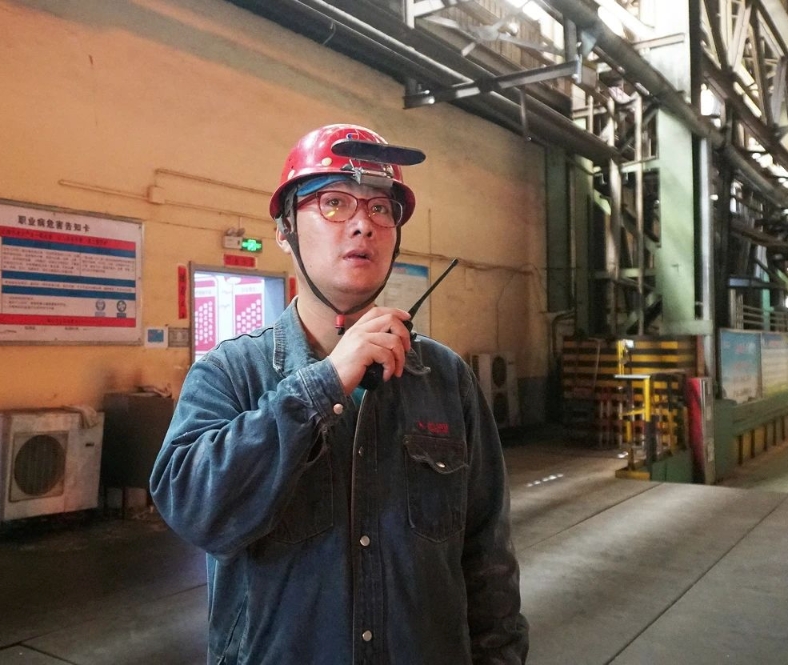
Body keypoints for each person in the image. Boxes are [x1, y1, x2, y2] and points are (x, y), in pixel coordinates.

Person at [150, 124, 528, 664]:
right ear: (284, 230)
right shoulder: (228, 373)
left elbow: (488, 558)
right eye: (333, 203)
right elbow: (194, 512)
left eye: (381, 208)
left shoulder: (446, 379)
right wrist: (325, 383)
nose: (363, 224)